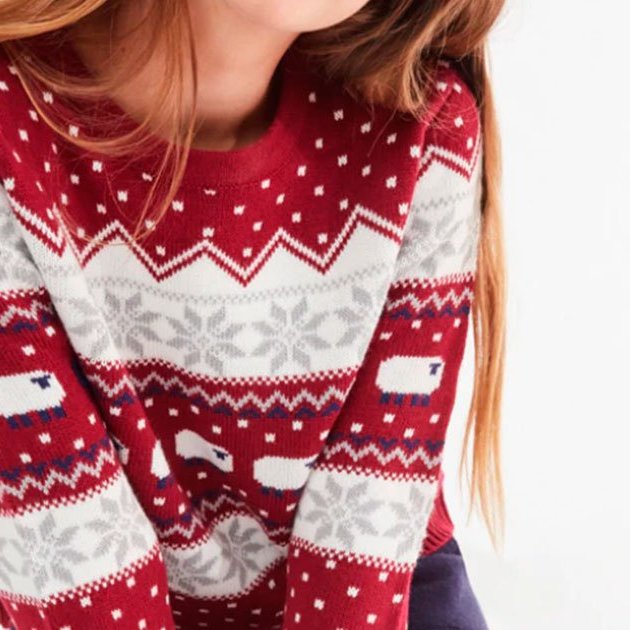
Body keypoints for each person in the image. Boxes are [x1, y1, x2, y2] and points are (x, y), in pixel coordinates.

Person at [0, 1, 507, 628]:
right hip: (73, 592)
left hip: (376, 581)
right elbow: (65, 545)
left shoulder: (421, 127)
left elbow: (370, 504)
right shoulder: (11, 125)